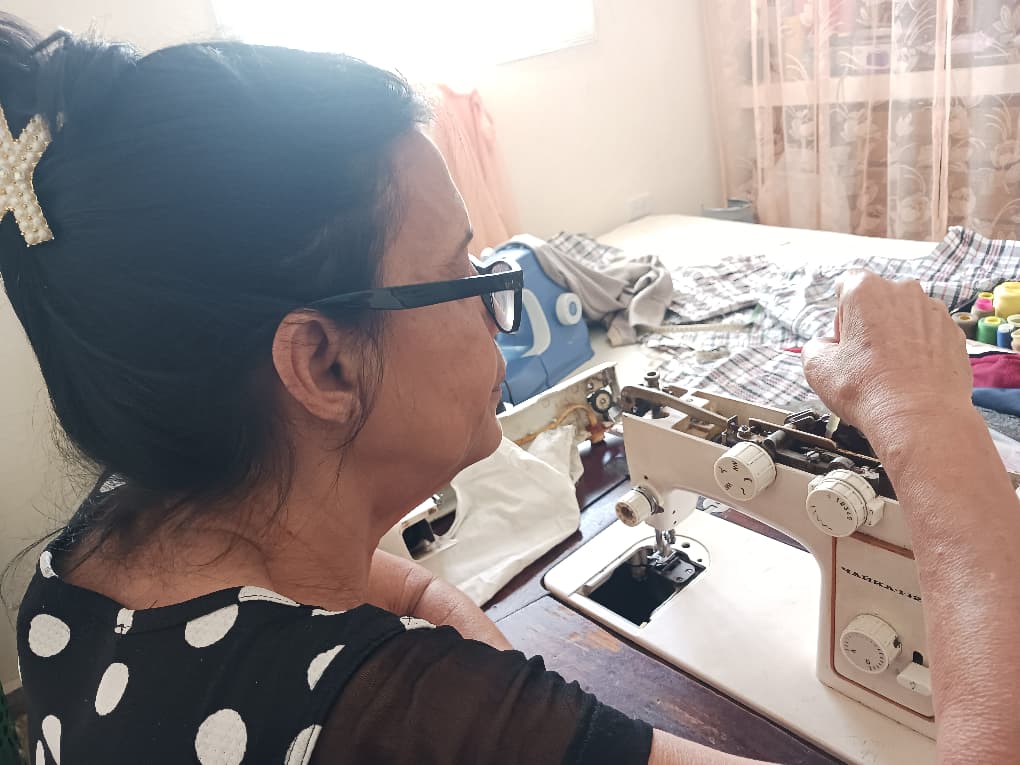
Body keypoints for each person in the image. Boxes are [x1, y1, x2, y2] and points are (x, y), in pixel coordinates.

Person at [2, 15, 1017, 765]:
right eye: (465, 271)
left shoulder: (83, 570)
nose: (503, 299)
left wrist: (480, 660)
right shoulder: (400, 727)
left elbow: (390, 584)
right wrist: (931, 423)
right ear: (324, 364)